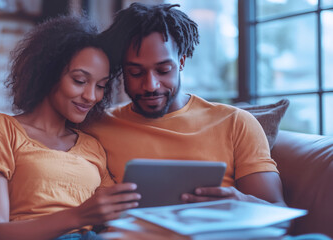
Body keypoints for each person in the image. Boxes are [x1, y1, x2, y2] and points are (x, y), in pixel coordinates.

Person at [84, 3, 286, 206]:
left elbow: (280, 213)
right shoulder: (98, 125)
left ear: (181, 62)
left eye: (163, 70)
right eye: (135, 73)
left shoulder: (235, 123)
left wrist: (240, 200)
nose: (150, 85)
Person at [0, 16, 140, 240]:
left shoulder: (92, 146)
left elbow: (114, 220)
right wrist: (78, 216)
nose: (91, 96)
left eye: (101, 86)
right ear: (48, 72)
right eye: (79, 80)